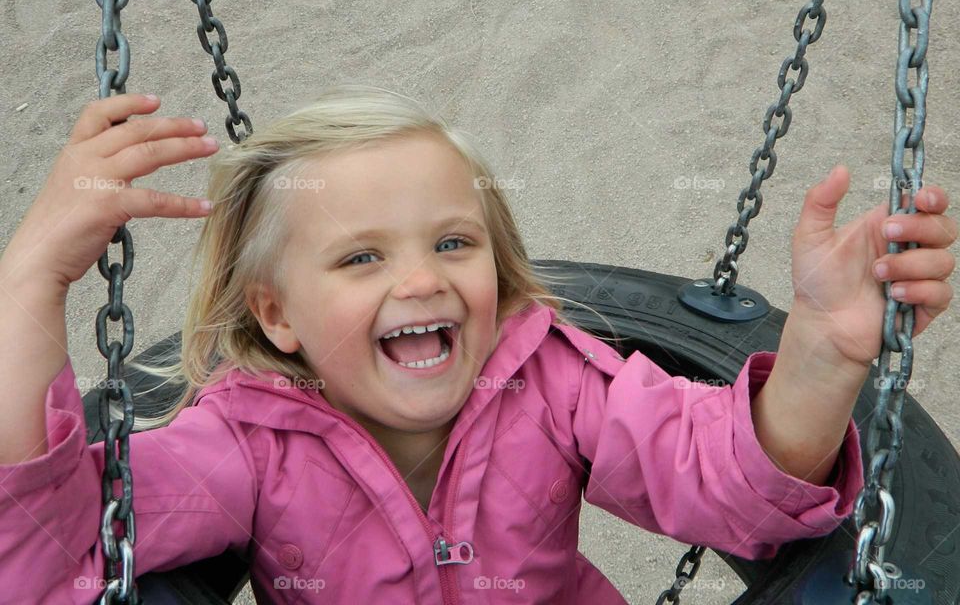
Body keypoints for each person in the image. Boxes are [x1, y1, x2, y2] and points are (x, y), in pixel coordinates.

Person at [0, 87, 955, 604]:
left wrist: (825, 349)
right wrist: (31, 279)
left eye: (452, 244)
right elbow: (57, 545)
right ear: (279, 317)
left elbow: (731, 478)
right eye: (362, 257)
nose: (419, 281)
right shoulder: (244, 444)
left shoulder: (556, 382)